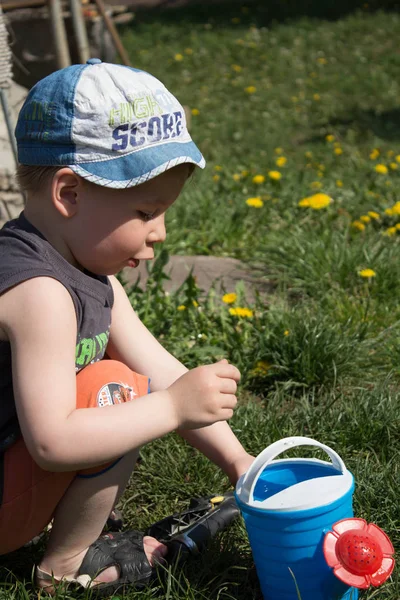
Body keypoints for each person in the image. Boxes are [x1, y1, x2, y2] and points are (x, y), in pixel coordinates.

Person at [0, 59, 254, 594]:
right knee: (115, 391)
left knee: (130, 383)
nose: (159, 233)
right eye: (145, 211)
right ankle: (65, 567)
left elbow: (160, 368)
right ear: (69, 194)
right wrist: (169, 408)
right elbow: (52, 442)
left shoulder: (85, 273)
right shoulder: (40, 293)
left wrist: (237, 460)